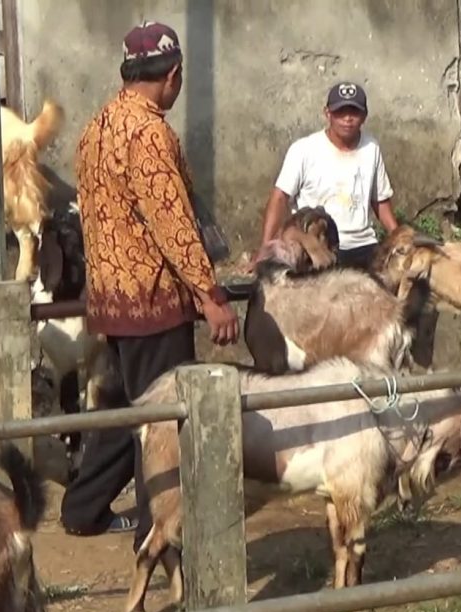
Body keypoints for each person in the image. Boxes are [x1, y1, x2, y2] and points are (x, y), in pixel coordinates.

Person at [61, 21, 239, 549]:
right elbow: (174, 224)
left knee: (125, 411)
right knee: (162, 421)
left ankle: (84, 506)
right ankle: (157, 533)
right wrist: (212, 296)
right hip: (153, 300)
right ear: (174, 75)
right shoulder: (149, 133)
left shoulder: (97, 126)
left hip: (112, 302)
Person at [255, 82, 398, 271]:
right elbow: (279, 198)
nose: (347, 119)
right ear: (327, 113)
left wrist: (398, 236)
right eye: (340, 112)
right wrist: (265, 251)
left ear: (364, 116)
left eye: (354, 113)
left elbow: (380, 201)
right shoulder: (304, 150)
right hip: (318, 245)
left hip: (362, 244)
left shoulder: (371, 148)